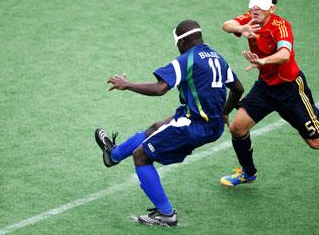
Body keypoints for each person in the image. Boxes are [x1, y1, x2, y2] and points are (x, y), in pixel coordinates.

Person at [94, 20, 244, 226]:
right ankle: (113, 155)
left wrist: (127, 84)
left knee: (141, 157)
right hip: (212, 124)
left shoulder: (186, 60)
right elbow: (238, 88)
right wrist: (225, 112)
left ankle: (166, 214)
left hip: (194, 126)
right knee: (156, 128)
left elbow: (160, 88)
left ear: (181, 43)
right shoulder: (218, 58)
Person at [219, 0, 319, 187]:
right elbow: (226, 24)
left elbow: (284, 54)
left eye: (262, 4)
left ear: (271, 8)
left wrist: (263, 62)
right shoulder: (250, 18)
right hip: (265, 88)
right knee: (237, 128)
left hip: (290, 90)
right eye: (253, 3)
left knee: (317, 142)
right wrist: (241, 28)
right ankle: (248, 173)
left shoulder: (281, 26)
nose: (255, 8)